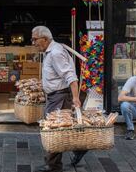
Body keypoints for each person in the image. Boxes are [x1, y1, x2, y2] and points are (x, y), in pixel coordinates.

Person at [32, 26, 87, 172]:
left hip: (59, 96)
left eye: (35, 39)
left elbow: (70, 76)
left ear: (45, 39)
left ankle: (53, 166)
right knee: (59, 128)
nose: (33, 42)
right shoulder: (50, 50)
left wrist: (76, 98)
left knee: (52, 129)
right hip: (55, 95)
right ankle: (78, 148)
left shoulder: (55, 52)